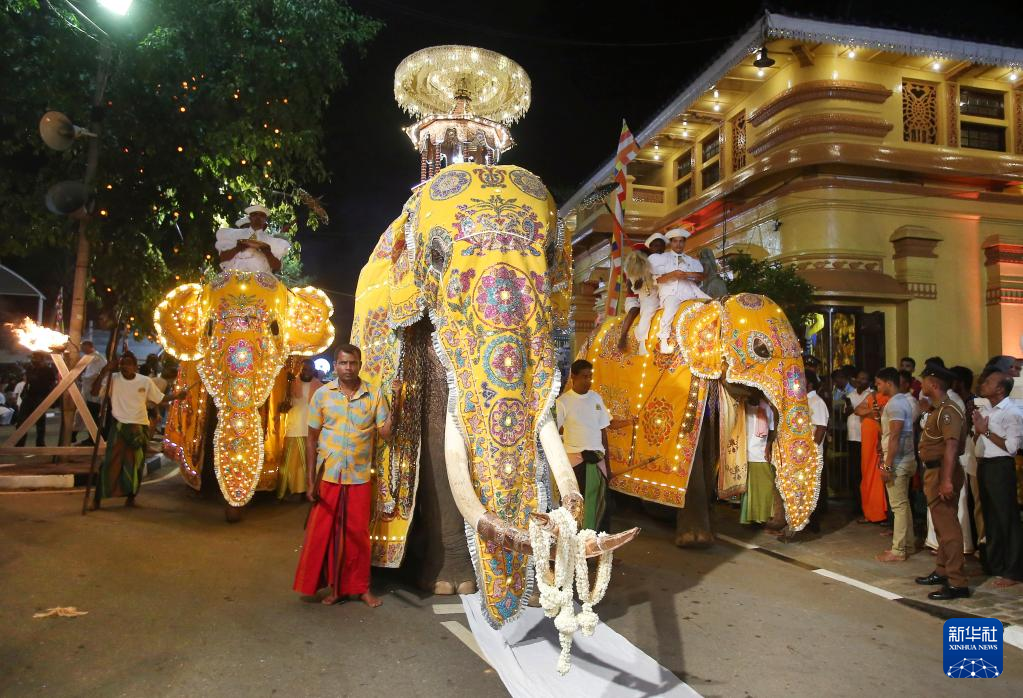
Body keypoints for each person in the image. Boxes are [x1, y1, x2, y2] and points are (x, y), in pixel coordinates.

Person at [293, 344, 393, 607]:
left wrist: (399, 403)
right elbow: (311, 439)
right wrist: (310, 481)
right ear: (336, 365)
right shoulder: (322, 395)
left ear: (360, 364)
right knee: (326, 534)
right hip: (328, 475)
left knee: (358, 535)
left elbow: (385, 433)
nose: (348, 368)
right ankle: (336, 588)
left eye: (353, 363)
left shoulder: (373, 394)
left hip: (359, 476)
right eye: (343, 363)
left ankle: (361, 588)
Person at [90, 353, 187, 509]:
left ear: (135, 366)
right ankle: (97, 500)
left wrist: (176, 396)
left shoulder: (145, 381)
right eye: (122, 364)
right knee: (110, 463)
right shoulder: (113, 379)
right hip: (119, 426)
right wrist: (104, 371)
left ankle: (131, 498)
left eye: (128, 364)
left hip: (139, 426)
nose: (124, 367)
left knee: (135, 464)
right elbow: (94, 393)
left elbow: (160, 398)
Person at [914, 363, 970, 599]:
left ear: (934, 384)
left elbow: (951, 446)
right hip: (934, 472)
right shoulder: (937, 409)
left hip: (942, 472)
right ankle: (942, 570)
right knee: (940, 525)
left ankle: (957, 582)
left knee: (948, 528)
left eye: (924, 381)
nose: (921, 384)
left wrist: (946, 480)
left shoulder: (948, 411)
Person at [971, 370, 1023, 587]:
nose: (983, 384)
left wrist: (985, 432)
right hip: (985, 466)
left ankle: (1013, 570)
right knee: (991, 518)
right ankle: (996, 564)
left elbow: (1011, 448)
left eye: (989, 382)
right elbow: (978, 438)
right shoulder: (987, 410)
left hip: (1000, 468)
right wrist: (978, 431)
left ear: (1000, 389)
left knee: (1006, 519)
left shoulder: (1011, 413)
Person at [557, 359, 612, 531]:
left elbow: (604, 429)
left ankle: (598, 542)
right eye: (584, 377)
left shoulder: (596, 398)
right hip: (575, 461)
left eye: (590, 377)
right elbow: (556, 431)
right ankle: (574, 542)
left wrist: (607, 464)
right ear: (573, 377)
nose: (588, 381)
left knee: (600, 504)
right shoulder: (563, 402)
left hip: (597, 459)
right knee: (575, 505)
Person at [874, 368, 917, 563]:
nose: (877, 387)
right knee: (903, 504)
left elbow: (895, 436)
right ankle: (908, 543)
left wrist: (887, 465)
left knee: (898, 506)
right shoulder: (901, 402)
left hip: (898, 461)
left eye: (879, 383)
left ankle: (898, 550)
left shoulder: (895, 404)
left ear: (889, 383)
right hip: (905, 459)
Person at [648, 228, 709, 354]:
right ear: (671, 243)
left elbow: (702, 276)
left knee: (712, 303)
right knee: (670, 308)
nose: (678, 244)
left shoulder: (691, 260)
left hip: (690, 292)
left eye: (681, 241)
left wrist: (687, 274)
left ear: (684, 242)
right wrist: (673, 274)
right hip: (670, 292)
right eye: (675, 241)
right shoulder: (662, 258)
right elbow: (657, 279)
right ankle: (663, 339)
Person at [277, 359, 323, 500]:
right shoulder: (291, 384)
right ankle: (289, 490)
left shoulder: (320, 387)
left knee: (309, 463)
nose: (306, 372)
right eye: (304, 369)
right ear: (300, 369)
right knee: (291, 464)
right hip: (294, 427)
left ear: (313, 370)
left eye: (309, 370)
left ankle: (306, 491)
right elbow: (283, 406)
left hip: (311, 429)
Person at [618, 233, 665, 354]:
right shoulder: (632, 269)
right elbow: (632, 289)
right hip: (635, 299)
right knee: (637, 310)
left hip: (655, 295)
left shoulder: (656, 263)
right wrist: (641, 280)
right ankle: (624, 337)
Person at [215, 203, 291, 274]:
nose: (258, 217)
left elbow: (277, 267)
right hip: (234, 278)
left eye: (261, 215)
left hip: (259, 280)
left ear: (265, 220)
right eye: (254, 214)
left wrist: (267, 252)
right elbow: (222, 258)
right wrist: (237, 248)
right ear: (249, 218)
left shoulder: (272, 241)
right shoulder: (235, 235)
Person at [854, 376, 889, 524]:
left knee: (878, 475)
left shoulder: (891, 399)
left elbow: (883, 416)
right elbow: (857, 410)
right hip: (868, 445)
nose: (876, 385)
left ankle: (880, 513)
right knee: (867, 474)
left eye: (879, 383)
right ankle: (870, 512)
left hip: (879, 441)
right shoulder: (872, 396)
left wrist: (872, 413)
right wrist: (871, 411)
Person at [739, 394, 776, 526]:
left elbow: (772, 430)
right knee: (749, 490)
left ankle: (764, 518)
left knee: (766, 486)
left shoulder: (766, 408)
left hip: (760, 454)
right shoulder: (742, 407)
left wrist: (767, 447)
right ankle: (751, 518)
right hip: (745, 454)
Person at [15, 352, 58, 447]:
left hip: (40, 396)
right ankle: (19, 443)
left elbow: (51, 383)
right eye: (33, 357)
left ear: (41, 359)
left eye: (36, 358)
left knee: (40, 422)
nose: (33, 359)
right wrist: (24, 392)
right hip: (29, 396)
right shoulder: (30, 368)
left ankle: (40, 443)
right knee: (21, 420)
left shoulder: (47, 370)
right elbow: (28, 381)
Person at [72, 340, 107, 445]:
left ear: (89, 346)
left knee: (90, 414)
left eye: (83, 347)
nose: (82, 349)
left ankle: (92, 438)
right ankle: (75, 434)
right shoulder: (92, 357)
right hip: (89, 390)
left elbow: (92, 375)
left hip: (94, 391)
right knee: (82, 413)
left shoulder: (96, 357)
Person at [844, 370, 871, 505]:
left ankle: (866, 501)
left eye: (864, 379)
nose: (860, 381)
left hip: (865, 438)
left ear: (869, 381)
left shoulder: (871, 395)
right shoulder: (850, 395)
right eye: (859, 378)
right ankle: (856, 502)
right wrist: (848, 408)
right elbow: (846, 413)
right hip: (852, 437)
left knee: (865, 471)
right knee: (854, 471)